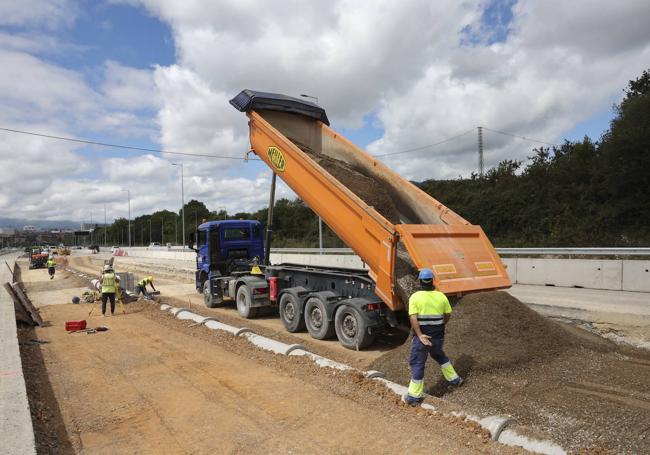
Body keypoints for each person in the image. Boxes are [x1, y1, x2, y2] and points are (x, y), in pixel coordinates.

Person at [403, 268, 462, 406]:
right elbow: (447, 314)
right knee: (439, 355)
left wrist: (420, 335)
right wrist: (441, 325)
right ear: (432, 281)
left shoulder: (415, 297)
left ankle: (413, 397)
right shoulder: (441, 296)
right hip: (438, 335)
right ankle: (455, 380)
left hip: (422, 337)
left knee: (417, 363)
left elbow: (413, 318)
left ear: (420, 281)